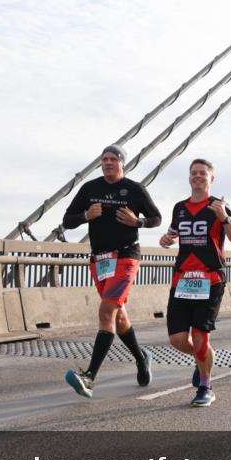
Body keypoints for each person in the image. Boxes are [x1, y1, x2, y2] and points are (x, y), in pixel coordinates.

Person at [63, 145, 162, 399]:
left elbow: (157, 218)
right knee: (118, 317)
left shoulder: (135, 189)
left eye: (113, 159)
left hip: (127, 257)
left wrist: (137, 222)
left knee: (107, 310)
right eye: (104, 159)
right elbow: (68, 220)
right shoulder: (89, 189)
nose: (107, 163)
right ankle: (141, 359)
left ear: (122, 163)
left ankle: (89, 378)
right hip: (100, 261)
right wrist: (86, 215)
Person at [159, 158, 231, 407]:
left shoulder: (220, 206)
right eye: (193, 173)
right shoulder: (180, 207)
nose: (197, 177)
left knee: (199, 335)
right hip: (182, 279)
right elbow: (175, 234)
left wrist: (224, 218)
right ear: (189, 178)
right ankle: (203, 358)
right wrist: (167, 239)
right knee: (176, 339)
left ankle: (205, 386)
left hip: (210, 279)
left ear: (211, 179)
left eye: (202, 173)